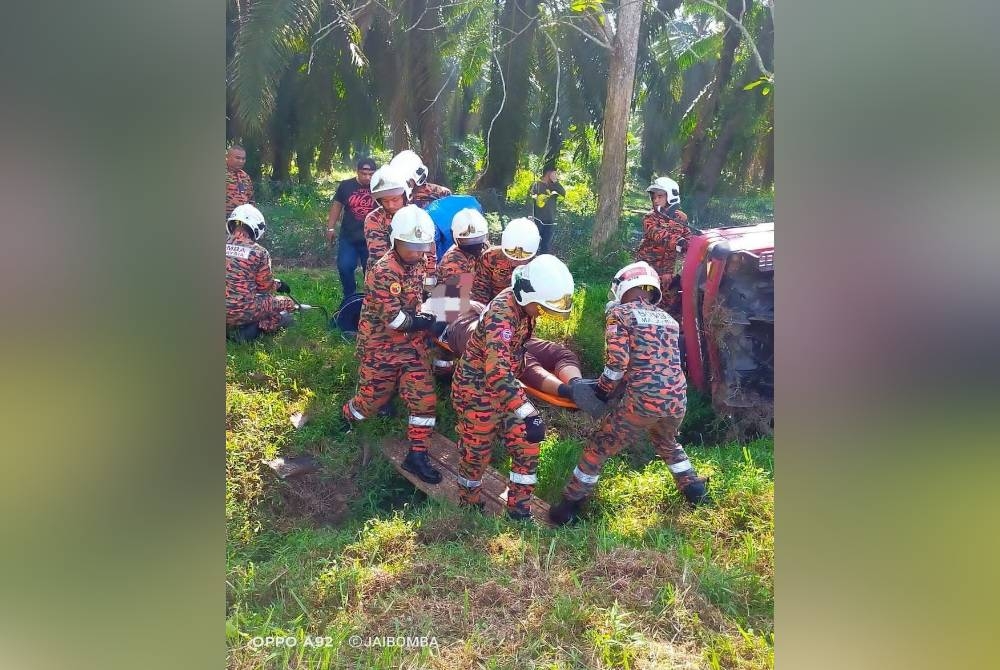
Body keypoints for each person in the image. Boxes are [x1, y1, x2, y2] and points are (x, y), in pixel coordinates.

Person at [548, 261, 710, 526]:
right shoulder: (669, 320)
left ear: (623, 287)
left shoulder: (621, 315)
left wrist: (600, 392)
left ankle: (568, 507)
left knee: (599, 446)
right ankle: (695, 491)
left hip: (644, 400)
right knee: (667, 443)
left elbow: (617, 364)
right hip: (677, 398)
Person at [452, 255, 575, 521]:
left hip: (506, 387)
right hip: (477, 391)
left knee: (528, 440)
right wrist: (528, 412)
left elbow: (508, 368)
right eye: (541, 306)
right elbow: (496, 373)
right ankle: (469, 503)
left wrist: (526, 412)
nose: (542, 313)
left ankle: (519, 509)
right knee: (476, 453)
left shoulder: (525, 309)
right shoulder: (502, 313)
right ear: (527, 295)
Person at [341, 205, 443, 484]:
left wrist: (442, 307)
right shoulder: (384, 271)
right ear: (394, 240)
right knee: (370, 402)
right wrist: (426, 321)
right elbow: (395, 320)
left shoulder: (420, 260)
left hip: (411, 347)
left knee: (424, 400)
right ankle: (348, 416)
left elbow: (428, 289)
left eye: (421, 247)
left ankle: (417, 455)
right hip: (381, 346)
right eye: (411, 246)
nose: (417, 252)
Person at [433, 300, 596, 410]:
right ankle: (569, 392)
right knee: (525, 364)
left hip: (509, 333)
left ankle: (577, 383)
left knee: (560, 353)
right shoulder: (438, 306)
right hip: (476, 336)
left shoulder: (474, 299)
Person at [225, 204, 294, 342]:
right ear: (255, 227)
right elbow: (264, 288)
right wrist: (278, 285)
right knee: (287, 303)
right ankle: (254, 329)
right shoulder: (259, 252)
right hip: (242, 310)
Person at [635, 176, 691, 314]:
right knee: (645, 303)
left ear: (671, 196)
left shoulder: (679, 218)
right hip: (649, 271)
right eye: (654, 197)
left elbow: (689, 241)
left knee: (669, 308)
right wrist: (678, 242)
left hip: (669, 274)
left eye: (660, 196)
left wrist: (686, 224)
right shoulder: (650, 218)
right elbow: (657, 234)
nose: (656, 200)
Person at [326, 158, 377, 296]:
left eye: (371, 174)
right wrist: (330, 228)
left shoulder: (379, 186)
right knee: (344, 266)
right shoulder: (346, 185)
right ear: (357, 172)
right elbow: (337, 206)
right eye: (364, 174)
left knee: (372, 271)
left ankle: (371, 299)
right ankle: (349, 296)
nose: (367, 177)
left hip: (372, 238)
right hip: (349, 236)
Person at [470, 217, 540, 305]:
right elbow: (480, 289)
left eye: (522, 260)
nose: (515, 262)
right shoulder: (491, 257)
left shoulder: (539, 267)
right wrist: (481, 312)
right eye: (511, 256)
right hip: (493, 310)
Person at [363, 165, 411, 274]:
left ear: (404, 196)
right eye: (385, 201)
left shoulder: (417, 215)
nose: (390, 205)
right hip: (383, 275)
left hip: (415, 276)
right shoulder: (374, 219)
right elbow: (378, 254)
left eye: (395, 199)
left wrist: (429, 279)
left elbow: (428, 250)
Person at [437, 208, 489, 283]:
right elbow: (458, 292)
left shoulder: (484, 246)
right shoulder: (454, 261)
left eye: (478, 240)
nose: (474, 247)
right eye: (467, 242)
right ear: (453, 237)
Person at [529, 167, 566, 255]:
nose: (556, 176)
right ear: (548, 173)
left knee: (545, 245)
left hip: (550, 221)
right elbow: (530, 201)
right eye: (554, 173)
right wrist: (530, 216)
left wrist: (555, 182)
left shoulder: (554, 186)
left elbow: (563, 193)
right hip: (538, 220)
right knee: (534, 243)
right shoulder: (537, 185)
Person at [225, 145, 254, 219]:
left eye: (243, 159)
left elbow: (251, 199)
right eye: (237, 158)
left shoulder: (245, 176)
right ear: (227, 157)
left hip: (241, 220)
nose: (241, 161)